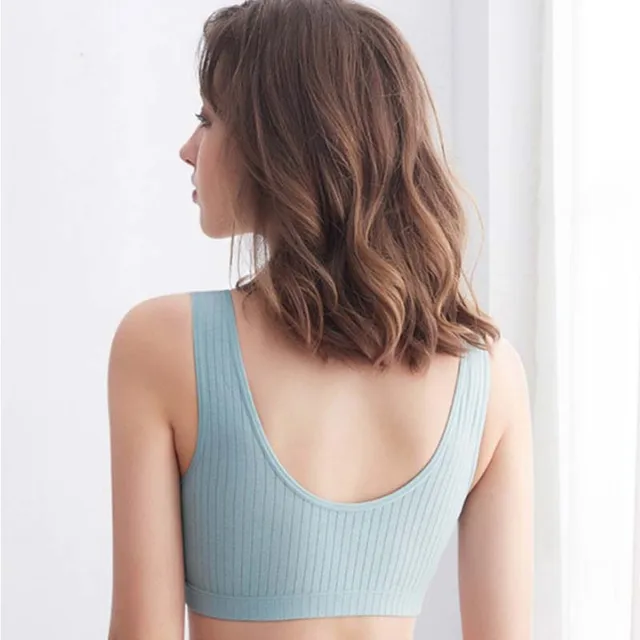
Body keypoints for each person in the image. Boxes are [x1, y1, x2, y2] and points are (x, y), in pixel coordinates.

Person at [107, 1, 534, 638]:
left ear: (278, 144)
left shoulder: (162, 345)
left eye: (208, 119)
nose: (188, 149)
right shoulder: (490, 376)